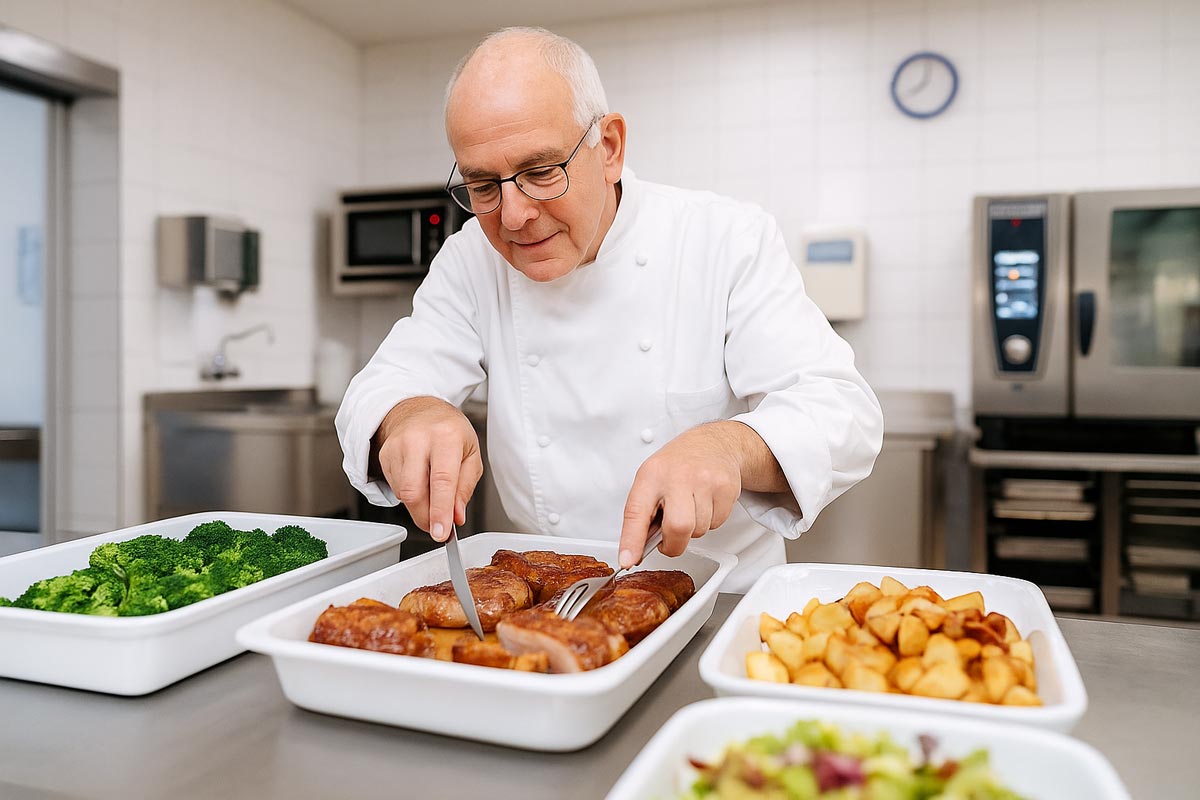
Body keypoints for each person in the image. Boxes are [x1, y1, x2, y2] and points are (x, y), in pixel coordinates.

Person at [335, 26, 883, 591]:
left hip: (722, 606)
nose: (515, 215)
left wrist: (730, 447)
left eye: (542, 172)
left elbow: (842, 412)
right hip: (549, 603)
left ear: (611, 149)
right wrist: (410, 416)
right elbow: (383, 385)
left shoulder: (724, 238)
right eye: (483, 186)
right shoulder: (471, 257)